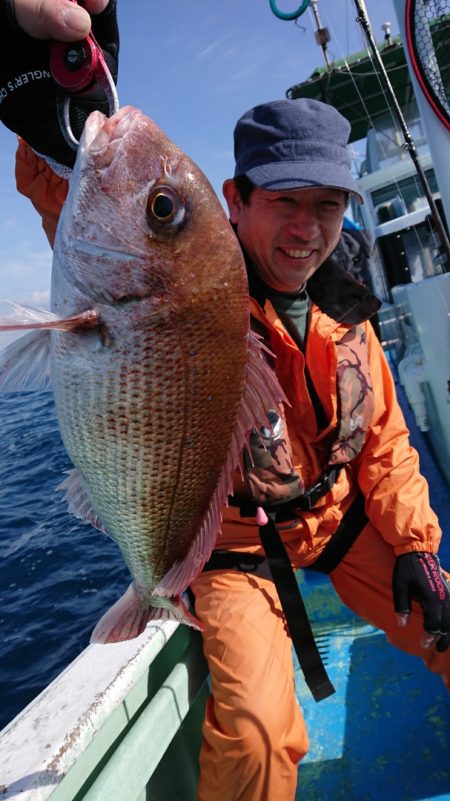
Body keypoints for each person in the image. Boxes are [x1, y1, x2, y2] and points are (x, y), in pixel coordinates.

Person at [1, 3, 449, 801]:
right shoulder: (192, 287)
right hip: (239, 550)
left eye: (328, 204)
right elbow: (84, 202)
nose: (308, 229)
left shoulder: (348, 309)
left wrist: (416, 544)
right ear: (236, 200)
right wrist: (48, 122)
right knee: (257, 736)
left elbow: (383, 442)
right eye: (286, 201)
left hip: (346, 527)